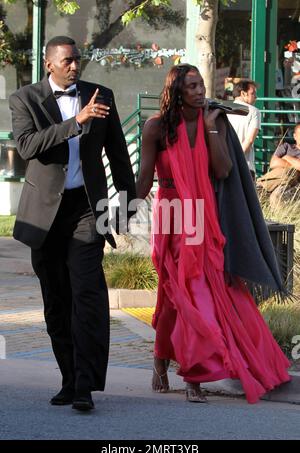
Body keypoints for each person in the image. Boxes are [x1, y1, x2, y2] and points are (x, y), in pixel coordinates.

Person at [135, 64, 290, 404]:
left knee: (195, 293)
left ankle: (188, 371)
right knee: (178, 292)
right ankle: (177, 368)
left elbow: (222, 169)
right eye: (191, 86)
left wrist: (209, 128)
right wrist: (120, 206)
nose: (199, 90)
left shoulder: (214, 122)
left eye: (201, 84)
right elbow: (145, 180)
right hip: (173, 216)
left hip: (205, 216)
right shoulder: (155, 127)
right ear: (176, 91)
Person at [9, 36, 136, 412]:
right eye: (67, 61)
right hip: (44, 216)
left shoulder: (102, 95)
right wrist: (74, 123)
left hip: (86, 209)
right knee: (57, 301)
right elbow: (28, 146)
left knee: (88, 296)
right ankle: (68, 379)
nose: (74, 66)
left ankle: (85, 385)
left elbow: (118, 155)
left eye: (78, 60)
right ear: (49, 63)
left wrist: (126, 207)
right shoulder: (25, 99)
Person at [257, 123, 300, 206]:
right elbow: (273, 163)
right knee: (286, 172)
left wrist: (287, 157)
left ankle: (261, 183)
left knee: (276, 196)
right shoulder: (286, 146)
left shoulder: (286, 153)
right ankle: (260, 187)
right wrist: (294, 164)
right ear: (295, 136)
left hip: (295, 184)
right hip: (278, 181)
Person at [227, 80, 261, 180]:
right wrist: (237, 158)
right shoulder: (254, 111)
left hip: (225, 164)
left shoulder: (225, 109)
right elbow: (249, 140)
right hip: (245, 165)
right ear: (243, 93)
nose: (256, 97)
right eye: (253, 93)